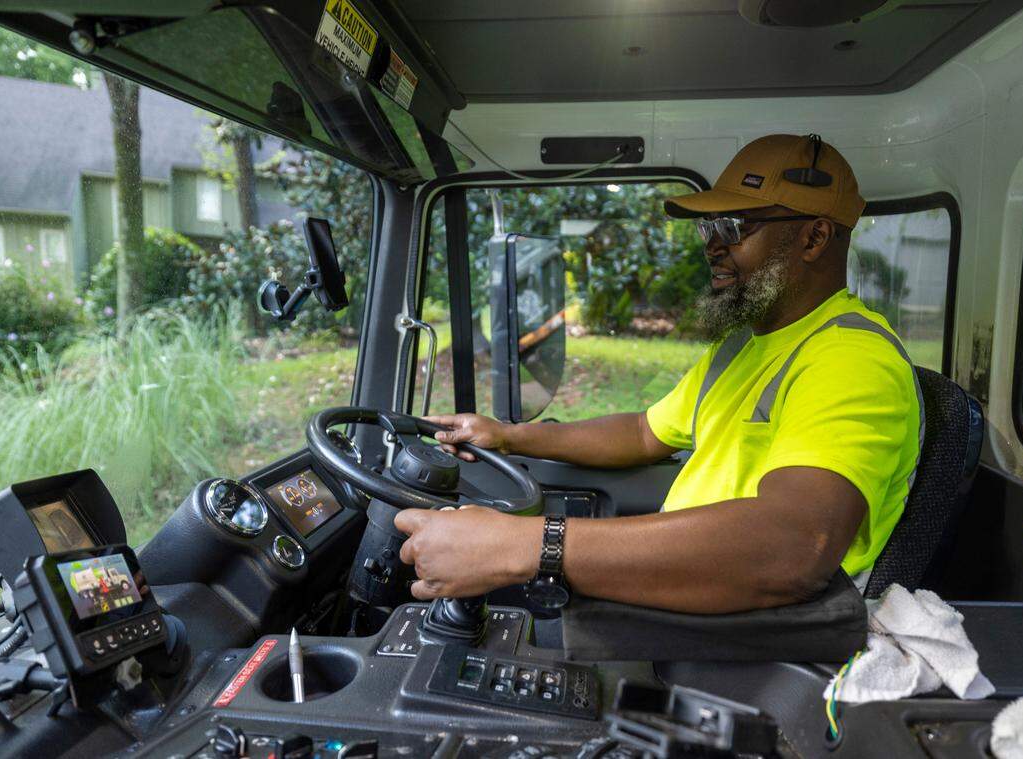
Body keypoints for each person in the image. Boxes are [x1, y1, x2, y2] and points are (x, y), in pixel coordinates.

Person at [394, 134, 922, 614]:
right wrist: (511, 435)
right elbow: (645, 432)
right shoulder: (746, 346)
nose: (713, 245)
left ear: (813, 239)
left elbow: (791, 549)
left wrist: (526, 546)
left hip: (748, 634)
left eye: (735, 227)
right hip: (686, 599)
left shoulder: (850, 358)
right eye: (709, 227)